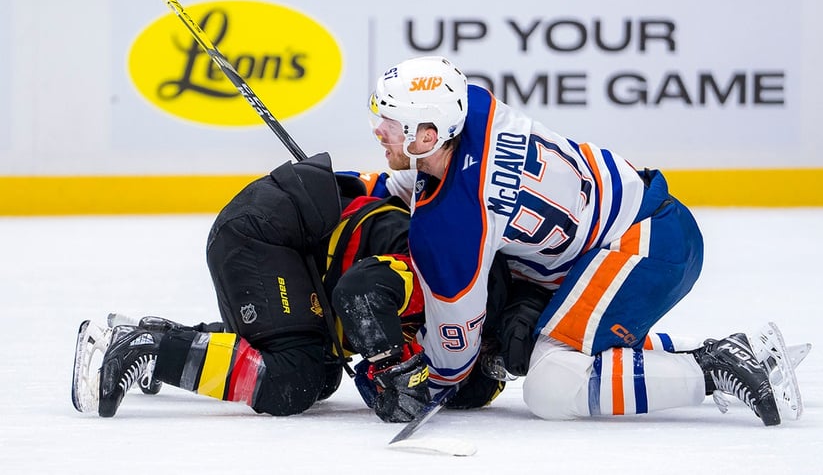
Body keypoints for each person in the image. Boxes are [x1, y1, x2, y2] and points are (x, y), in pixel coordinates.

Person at [364, 55, 803, 425]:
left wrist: (431, 382)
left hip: (642, 248)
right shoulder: (474, 104)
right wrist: (363, 187)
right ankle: (725, 350)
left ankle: (710, 369)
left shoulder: (454, 228)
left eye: (392, 121)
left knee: (552, 383)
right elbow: (435, 183)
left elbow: (453, 358)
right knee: (537, 342)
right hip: (647, 225)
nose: (379, 130)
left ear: (429, 135)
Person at [71, 153, 512, 421]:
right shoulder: (445, 278)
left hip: (292, 247)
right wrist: (388, 362)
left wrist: (469, 373)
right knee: (294, 377)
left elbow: (455, 386)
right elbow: (359, 293)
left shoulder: (465, 316)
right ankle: (143, 346)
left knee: (318, 375)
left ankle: (174, 342)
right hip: (267, 235)